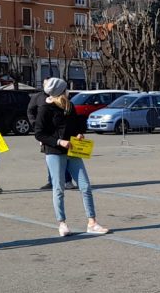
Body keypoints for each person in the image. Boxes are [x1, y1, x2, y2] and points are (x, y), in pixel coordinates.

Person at [33, 78, 108, 236]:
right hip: (54, 152)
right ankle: (62, 223)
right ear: (60, 92)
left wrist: (79, 133)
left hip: (73, 150)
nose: (68, 92)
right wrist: (59, 141)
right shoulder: (45, 108)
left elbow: (75, 125)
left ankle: (92, 222)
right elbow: (39, 133)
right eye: (65, 89)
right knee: (59, 188)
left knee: (85, 185)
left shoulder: (69, 105)